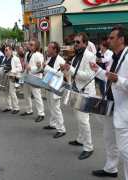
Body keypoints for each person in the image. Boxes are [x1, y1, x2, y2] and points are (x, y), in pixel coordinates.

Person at [90, 25, 128, 179]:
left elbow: (117, 79)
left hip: (123, 110)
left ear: (122, 39)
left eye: (112, 38)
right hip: (111, 106)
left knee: (125, 151)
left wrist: (118, 79)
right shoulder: (116, 56)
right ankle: (111, 168)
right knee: (108, 139)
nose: (108, 40)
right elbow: (110, 77)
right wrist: (98, 71)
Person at [60, 32, 96, 160]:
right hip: (76, 90)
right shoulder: (76, 57)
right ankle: (81, 139)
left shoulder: (90, 56)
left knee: (83, 120)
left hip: (85, 91)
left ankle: (88, 147)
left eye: (78, 42)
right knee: (78, 117)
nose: (75, 44)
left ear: (85, 43)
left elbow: (89, 76)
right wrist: (65, 70)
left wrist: (71, 69)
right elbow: (72, 74)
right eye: (74, 42)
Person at [43, 42, 66, 139]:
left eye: (49, 48)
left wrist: (47, 68)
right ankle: (53, 124)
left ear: (55, 50)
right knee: (51, 106)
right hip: (49, 85)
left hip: (56, 86)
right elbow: (48, 71)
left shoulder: (61, 60)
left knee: (56, 108)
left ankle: (61, 129)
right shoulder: (50, 58)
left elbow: (60, 74)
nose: (47, 49)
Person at [20, 38, 45, 123]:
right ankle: (29, 110)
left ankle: (41, 113)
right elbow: (27, 65)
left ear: (36, 46)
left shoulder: (39, 55)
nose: (29, 46)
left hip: (35, 77)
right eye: (29, 44)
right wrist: (24, 69)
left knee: (37, 95)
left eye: (32, 45)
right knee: (26, 94)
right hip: (27, 76)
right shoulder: (27, 54)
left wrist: (30, 68)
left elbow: (40, 68)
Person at [2, 45, 22, 114]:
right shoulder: (5, 58)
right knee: (6, 92)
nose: (5, 51)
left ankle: (16, 108)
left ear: (11, 50)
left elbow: (20, 68)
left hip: (12, 77)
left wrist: (13, 72)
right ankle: (8, 107)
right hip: (6, 77)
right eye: (5, 50)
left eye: (7, 50)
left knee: (12, 92)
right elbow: (3, 67)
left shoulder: (15, 58)